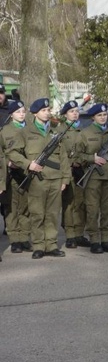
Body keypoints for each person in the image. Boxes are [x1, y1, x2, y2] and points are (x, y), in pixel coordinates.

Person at [8, 98, 71, 259]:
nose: (47, 113)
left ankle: (51, 244)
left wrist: (65, 179)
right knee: (37, 214)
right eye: (44, 110)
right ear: (35, 113)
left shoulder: (54, 133)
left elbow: (63, 158)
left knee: (52, 214)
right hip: (37, 180)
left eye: (48, 110)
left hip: (55, 179)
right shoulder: (25, 132)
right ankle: (38, 245)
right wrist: (28, 164)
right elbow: (13, 153)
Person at [78, 103, 108, 254]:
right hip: (93, 178)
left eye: (105, 115)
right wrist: (93, 158)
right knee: (92, 210)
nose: (103, 117)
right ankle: (94, 240)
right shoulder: (84, 134)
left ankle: (106, 240)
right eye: (99, 115)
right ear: (93, 117)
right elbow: (77, 156)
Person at [1, 100, 32, 254]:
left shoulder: (31, 129)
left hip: (27, 173)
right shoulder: (4, 131)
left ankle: (25, 238)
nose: (21, 114)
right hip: (11, 174)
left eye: (23, 111)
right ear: (11, 114)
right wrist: (8, 163)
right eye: (18, 112)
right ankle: (14, 240)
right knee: (11, 208)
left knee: (25, 207)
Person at [59, 100, 90, 250]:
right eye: (72, 111)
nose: (75, 114)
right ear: (65, 114)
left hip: (82, 171)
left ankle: (79, 233)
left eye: (77, 111)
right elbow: (58, 153)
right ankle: (70, 235)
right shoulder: (61, 130)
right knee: (69, 204)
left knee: (81, 203)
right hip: (68, 171)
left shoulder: (83, 130)